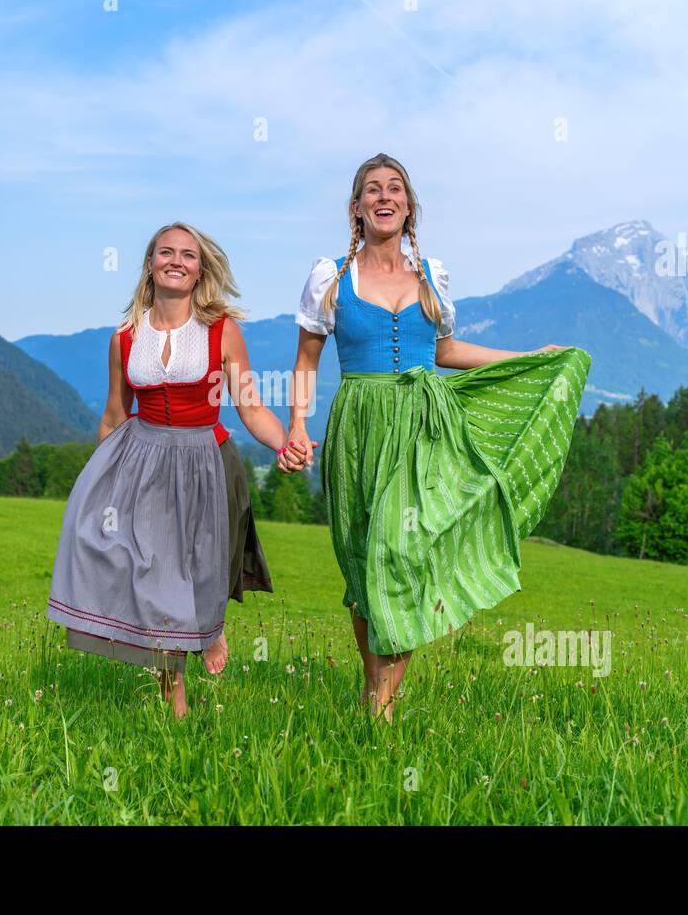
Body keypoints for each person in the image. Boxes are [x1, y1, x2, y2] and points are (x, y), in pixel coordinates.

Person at [285, 153, 592, 721]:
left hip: (427, 422)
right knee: (362, 561)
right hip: (360, 422)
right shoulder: (330, 277)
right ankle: (372, 685)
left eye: (395, 188)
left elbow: (444, 352)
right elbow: (307, 359)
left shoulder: (433, 275)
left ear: (408, 205)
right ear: (356, 209)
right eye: (372, 190)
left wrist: (527, 357)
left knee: (401, 552)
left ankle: (381, 703)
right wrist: (298, 425)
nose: (384, 196)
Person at [47, 222, 295, 718]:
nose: (176, 261)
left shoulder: (222, 330)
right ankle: (173, 694)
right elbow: (115, 414)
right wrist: (101, 484)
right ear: (151, 264)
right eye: (166, 252)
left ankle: (209, 625)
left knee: (199, 571)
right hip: (142, 463)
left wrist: (284, 444)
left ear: (200, 268)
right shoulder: (124, 337)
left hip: (204, 461)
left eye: (187, 254)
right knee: (152, 575)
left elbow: (249, 407)